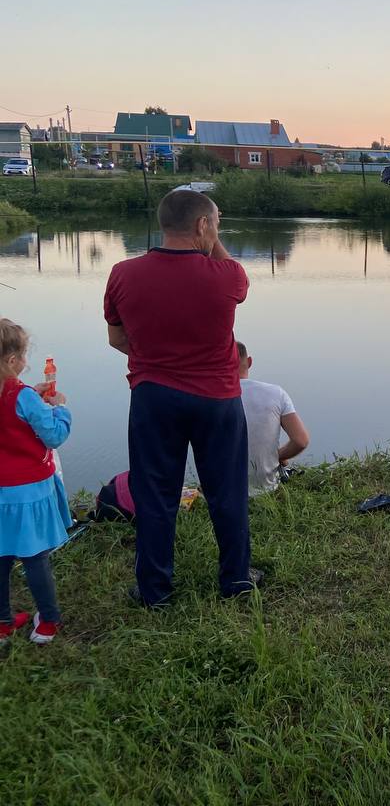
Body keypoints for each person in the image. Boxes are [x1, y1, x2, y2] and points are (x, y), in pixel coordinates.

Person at [104, 189, 257, 608]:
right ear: (202, 226)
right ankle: (236, 580)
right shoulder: (227, 276)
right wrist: (213, 236)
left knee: (155, 494)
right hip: (217, 401)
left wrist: (158, 359)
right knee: (227, 491)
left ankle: (155, 592)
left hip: (154, 398)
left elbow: (117, 338)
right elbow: (226, 264)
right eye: (214, 223)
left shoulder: (122, 272)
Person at [0, 319, 72, 644]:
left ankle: (2, 622)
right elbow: (54, 436)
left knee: (1, 556)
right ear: (13, 361)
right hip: (28, 492)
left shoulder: (25, 396)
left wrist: (34, 397)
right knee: (35, 557)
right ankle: (47, 623)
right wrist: (60, 409)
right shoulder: (24, 397)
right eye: (24, 356)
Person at [237, 343, 309, 496]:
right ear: (249, 362)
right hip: (267, 490)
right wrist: (276, 455)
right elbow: (301, 441)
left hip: (219, 494)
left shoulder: (208, 398)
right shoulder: (276, 393)